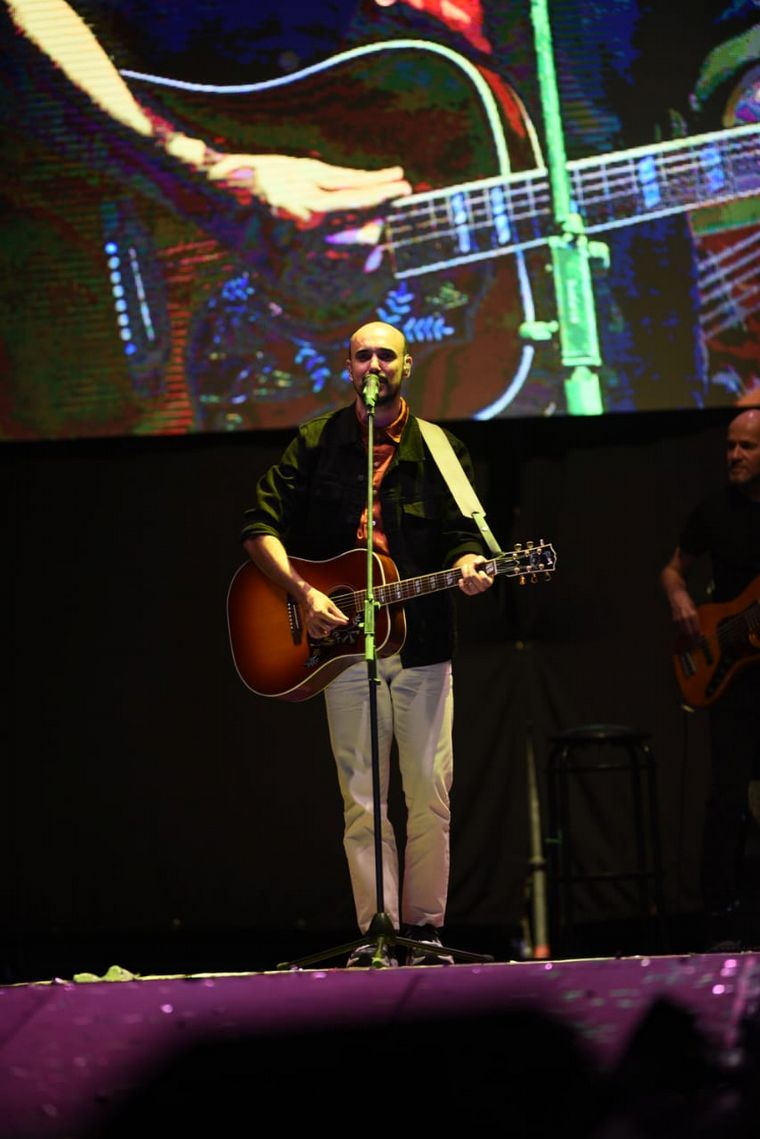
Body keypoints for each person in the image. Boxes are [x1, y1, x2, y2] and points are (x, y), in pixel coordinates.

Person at [240, 320, 495, 966]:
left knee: (429, 792)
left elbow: (465, 534)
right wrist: (302, 593)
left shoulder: (440, 449)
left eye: (387, 354)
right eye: (363, 355)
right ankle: (375, 935)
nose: (374, 364)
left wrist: (469, 564)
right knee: (362, 798)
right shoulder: (318, 443)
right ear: (347, 366)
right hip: (342, 651)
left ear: (406, 366)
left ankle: (427, 931)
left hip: (422, 644)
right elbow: (259, 526)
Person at [660, 408, 760, 949]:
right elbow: (674, 568)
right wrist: (680, 597)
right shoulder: (714, 510)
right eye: (730, 446)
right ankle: (720, 916)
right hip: (730, 674)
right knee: (725, 795)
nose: (734, 456)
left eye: (746, 447)